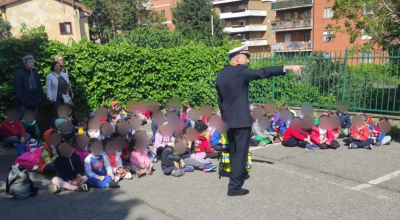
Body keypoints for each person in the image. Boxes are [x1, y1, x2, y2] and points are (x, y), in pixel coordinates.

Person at [216, 44, 303, 196]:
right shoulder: (240, 71)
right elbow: (262, 72)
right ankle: (235, 187)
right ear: (237, 58)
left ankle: (235, 177)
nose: (248, 61)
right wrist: (286, 67)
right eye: (246, 57)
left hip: (229, 121)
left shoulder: (221, 74)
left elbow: (220, 100)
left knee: (234, 151)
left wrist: (225, 117)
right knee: (241, 152)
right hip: (241, 121)